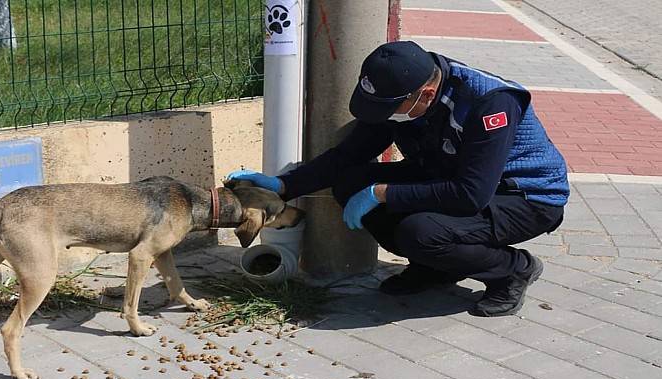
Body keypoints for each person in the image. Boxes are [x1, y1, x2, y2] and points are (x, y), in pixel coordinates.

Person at [228, 40, 569, 317]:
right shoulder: (402, 90)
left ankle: (513, 269)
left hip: (523, 197)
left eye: (387, 108)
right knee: (351, 180)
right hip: (448, 176)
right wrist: (285, 185)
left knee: (420, 232)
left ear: (426, 95)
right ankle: (436, 267)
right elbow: (349, 155)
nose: (383, 117)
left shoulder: (489, 104)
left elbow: (470, 195)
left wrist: (381, 193)